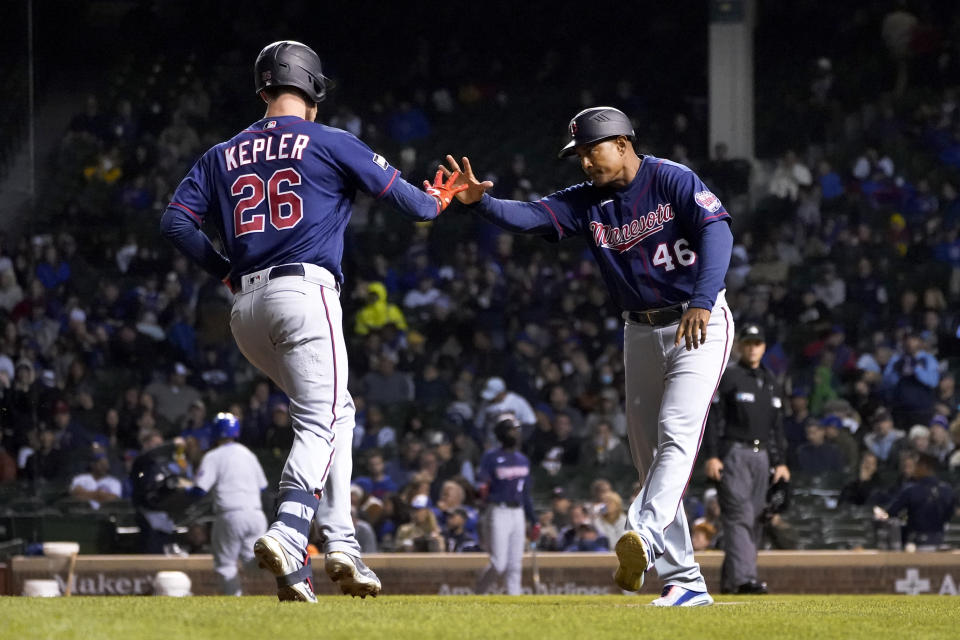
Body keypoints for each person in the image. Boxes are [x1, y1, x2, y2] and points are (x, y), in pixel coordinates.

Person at [160, 40, 465, 603]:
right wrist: (441, 200)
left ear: (263, 90)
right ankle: (290, 531)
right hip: (305, 293)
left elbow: (176, 224)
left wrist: (226, 272)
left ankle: (340, 545)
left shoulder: (221, 153)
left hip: (245, 309)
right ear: (314, 91)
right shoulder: (329, 140)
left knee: (336, 413)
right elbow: (417, 208)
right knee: (320, 423)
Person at [443, 105, 733, 606]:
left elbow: (717, 231)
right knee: (648, 459)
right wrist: (478, 203)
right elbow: (533, 216)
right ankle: (685, 581)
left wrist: (703, 301)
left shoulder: (670, 179)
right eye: (577, 153)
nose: (583, 161)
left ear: (622, 143)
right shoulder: (587, 200)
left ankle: (641, 531)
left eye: (590, 149)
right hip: (638, 329)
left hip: (696, 319)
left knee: (678, 432)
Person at [703, 323, 789, 595]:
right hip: (734, 453)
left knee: (754, 519)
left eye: (757, 343)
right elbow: (713, 419)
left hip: (762, 455)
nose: (752, 348)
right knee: (739, 515)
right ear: (740, 346)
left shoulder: (771, 382)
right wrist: (713, 455)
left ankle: (732, 581)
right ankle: (744, 579)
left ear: (763, 347)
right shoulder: (729, 377)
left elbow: (777, 427)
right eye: (748, 343)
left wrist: (781, 462)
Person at [191, 413, 268, 596]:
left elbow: (199, 490)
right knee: (251, 561)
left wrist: (185, 489)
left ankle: (234, 599)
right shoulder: (248, 454)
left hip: (231, 514)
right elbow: (263, 487)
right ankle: (275, 563)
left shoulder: (214, 456)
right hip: (256, 515)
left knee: (225, 564)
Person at [476, 414, 536, 595]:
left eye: (517, 430)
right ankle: (479, 593)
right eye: (511, 430)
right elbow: (481, 484)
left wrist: (534, 520)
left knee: (515, 564)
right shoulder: (491, 457)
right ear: (501, 433)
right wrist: (482, 493)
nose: (515, 434)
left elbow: (525, 493)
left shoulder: (522, 459)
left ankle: (515, 600)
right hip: (498, 510)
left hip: (517, 512)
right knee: (499, 563)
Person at [875, 453, 956, 550]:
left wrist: (880, 514)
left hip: (915, 544)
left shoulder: (911, 490)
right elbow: (949, 515)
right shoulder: (947, 490)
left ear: (925, 467)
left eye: (917, 465)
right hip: (940, 542)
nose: (915, 469)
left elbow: (891, 513)